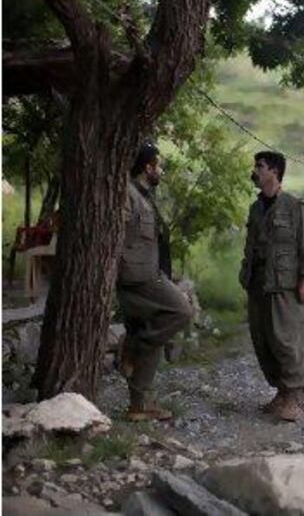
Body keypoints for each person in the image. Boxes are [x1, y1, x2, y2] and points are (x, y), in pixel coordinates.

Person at [240, 150, 304, 422]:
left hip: (284, 284)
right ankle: (281, 393)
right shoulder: (255, 208)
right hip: (258, 283)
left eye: (260, 166)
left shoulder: (294, 206)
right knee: (264, 340)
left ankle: (295, 397)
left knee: (288, 339)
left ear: (274, 171)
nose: (256, 170)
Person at [117, 142, 193, 422]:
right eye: (158, 165)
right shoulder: (127, 194)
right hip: (137, 278)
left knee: (149, 331)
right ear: (147, 167)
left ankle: (139, 404)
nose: (161, 170)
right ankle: (133, 346)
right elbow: (116, 236)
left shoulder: (146, 196)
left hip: (150, 274)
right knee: (181, 312)